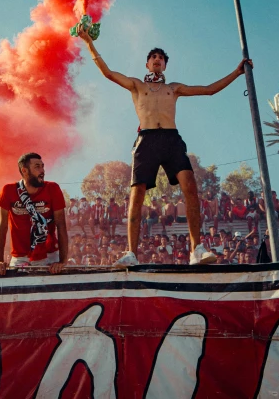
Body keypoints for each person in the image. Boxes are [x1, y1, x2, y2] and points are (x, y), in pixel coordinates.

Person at [78, 31, 253, 265]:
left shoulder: (174, 88)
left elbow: (209, 89)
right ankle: (131, 253)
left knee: (190, 187)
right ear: (148, 64)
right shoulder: (137, 86)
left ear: (165, 66)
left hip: (171, 139)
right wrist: (89, 43)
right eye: (154, 57)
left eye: (161, 58)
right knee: (137, 194)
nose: (158, 60)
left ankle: (196, 249)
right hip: (146, 139)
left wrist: (237, 72)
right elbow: (108, 73)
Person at [0, 152, 68, 275]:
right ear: (24, 170)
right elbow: (2, 227)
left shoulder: (53, 189)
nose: (42, 170)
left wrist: (62, 261)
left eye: (43, 166)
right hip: (20, 257)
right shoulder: (8, 191)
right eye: (37, 167)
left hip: (49, 256)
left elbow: (61, 225)